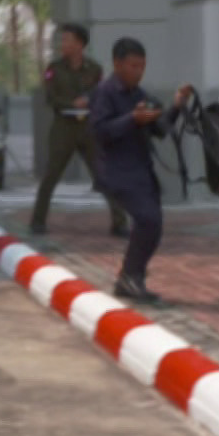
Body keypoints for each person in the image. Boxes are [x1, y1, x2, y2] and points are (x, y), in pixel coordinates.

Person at [88, 38, 193, 305]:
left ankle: (130, 277)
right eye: (133, 65)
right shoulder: (104, 93)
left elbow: (160, 129)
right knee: (148, 220)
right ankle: (131, 277)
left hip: (141, 170)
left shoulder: (140, 96)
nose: (138, 71)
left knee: (152, 224)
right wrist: (131, 119)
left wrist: (177, 106)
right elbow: (100, 131)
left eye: (142, 66)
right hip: (117, 171)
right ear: (117, 64)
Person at [30, 23, 128, 238]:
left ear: (79, 44)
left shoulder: (94, 69)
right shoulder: (54, 69)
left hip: (89, 127)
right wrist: (72, 103)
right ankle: (37, 221)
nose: (63, 44)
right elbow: (50, 98)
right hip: (64, 127)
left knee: (103, 174)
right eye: (62, 40)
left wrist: (89, 101)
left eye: (67, 40)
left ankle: (120, 223)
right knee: (51, 175)